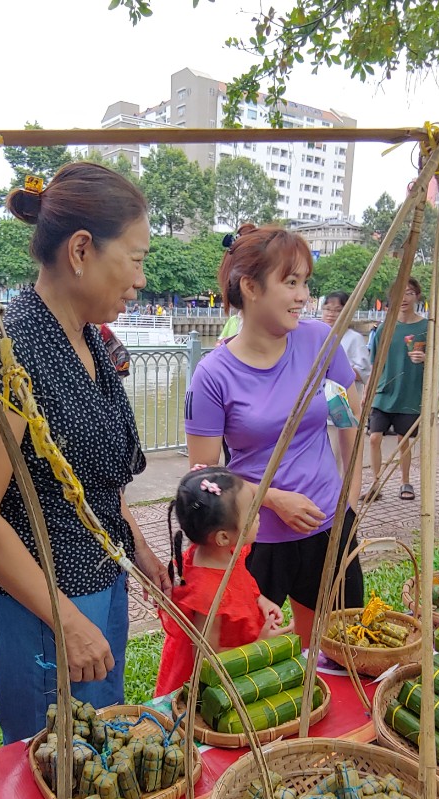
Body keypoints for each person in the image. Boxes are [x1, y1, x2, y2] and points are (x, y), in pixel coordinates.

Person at [0, 163, 168, 744]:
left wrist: (139, 548)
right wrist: (65, 620)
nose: (141, 280)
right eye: (137, 258)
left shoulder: (92, 336)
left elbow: (94, 474)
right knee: (57, 766)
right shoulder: (7, 346)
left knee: (101, 745)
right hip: (44, 608)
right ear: (80, 250)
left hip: (102, 580)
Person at [185, 223, 363, 648]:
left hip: (327, 528)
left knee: (339, 650)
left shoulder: (320, 341)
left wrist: (349, 503)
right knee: (253, 659)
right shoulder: (213, 375)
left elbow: (347, 419)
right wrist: (274, 498)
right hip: (256, 538)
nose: (303, 295)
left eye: (305, 282)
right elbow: (203, 474)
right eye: (290, 282)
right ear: (250, 286)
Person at [154, 466, 287, 696]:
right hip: (212, 685)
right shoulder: (208, 593)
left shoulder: (225, 552)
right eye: (251, 512)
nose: (258, 516)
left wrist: (261, 600)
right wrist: (259, 645)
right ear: (223, 536)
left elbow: (241, 581)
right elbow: (207, 655)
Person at [366, 278, 429, 501]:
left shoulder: (425, 327)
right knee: (374, 438)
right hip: (384, 392)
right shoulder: (385, 328)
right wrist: (367, 392)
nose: (403, 298)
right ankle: (375, 483)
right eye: (399, 293)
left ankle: (405, 482)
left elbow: (437, 355)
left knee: (404, 441)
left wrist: (425, 357)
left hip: (409, 394)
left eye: (409, 293)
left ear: (417, 297)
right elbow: (375, 363)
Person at [321, 290, 371, 468]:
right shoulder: (318, 336)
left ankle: (340, 494)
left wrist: (337, 368)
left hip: (341, 409)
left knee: (337, 459)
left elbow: (364, 371)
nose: (331, 314)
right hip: (317, 410)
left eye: (337, 310)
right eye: (327, 309)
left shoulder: (353, 338)